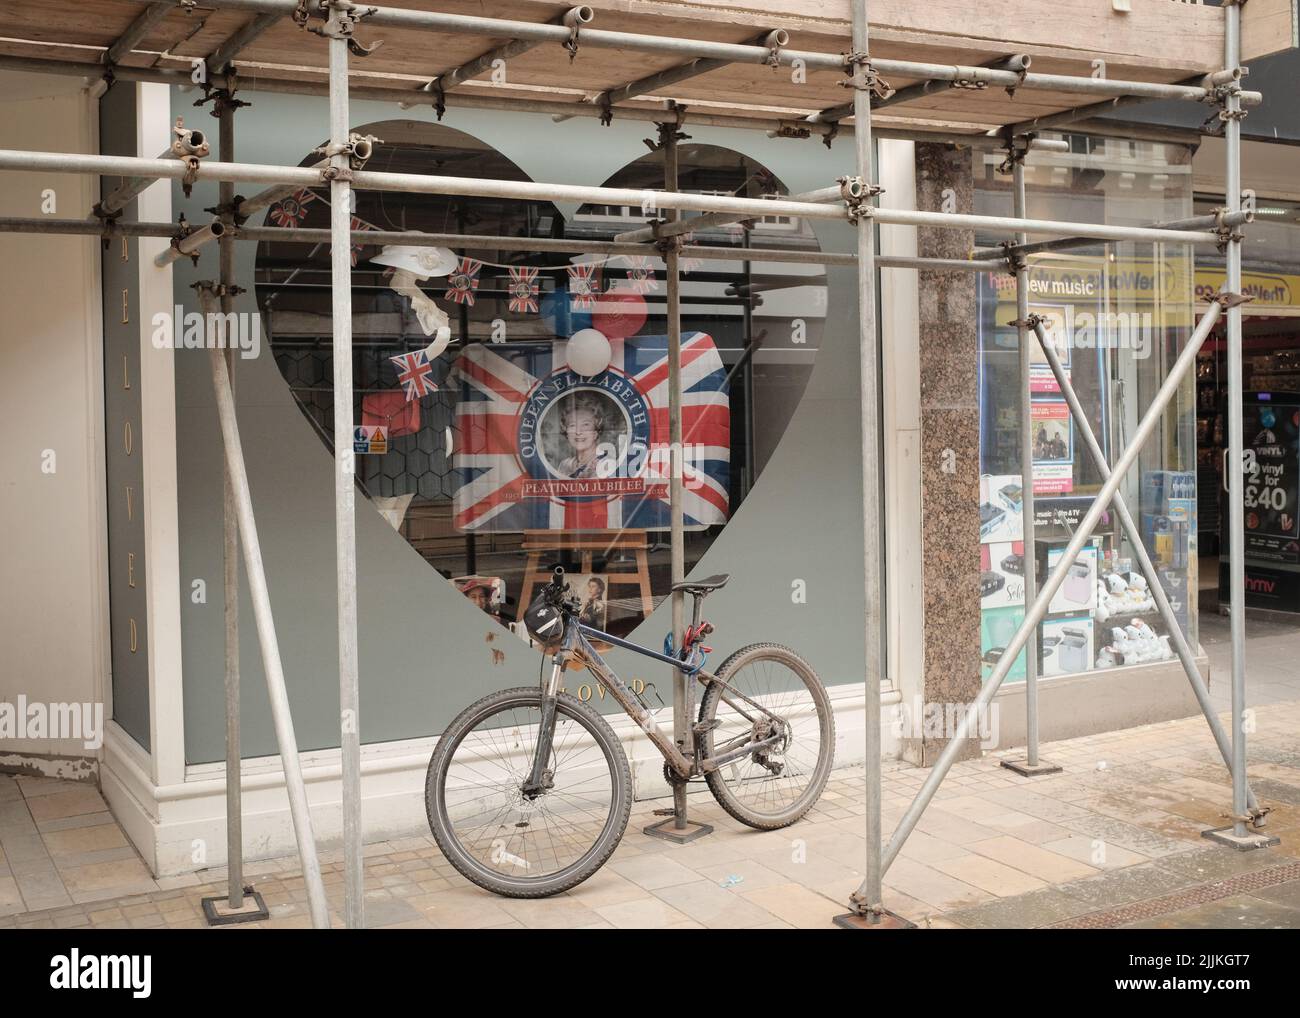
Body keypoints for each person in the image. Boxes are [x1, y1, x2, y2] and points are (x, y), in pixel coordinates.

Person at [556, 394, 609, 479]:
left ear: (596, 430)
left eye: (585, 424)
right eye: (572, 425)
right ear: (566, 431)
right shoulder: (564, 465)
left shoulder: (606, 463)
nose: (578, 432)